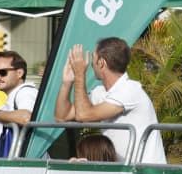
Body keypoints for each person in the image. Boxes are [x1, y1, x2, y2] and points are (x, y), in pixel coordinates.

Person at [55, 36, 165, 164]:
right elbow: (62, 116)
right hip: (125, 171)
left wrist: (80, 74)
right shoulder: (101, 92)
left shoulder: (130, 90)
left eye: (93, 59)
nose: (90, 64)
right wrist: (67, 83)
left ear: (101, 63)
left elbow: (84, 115)